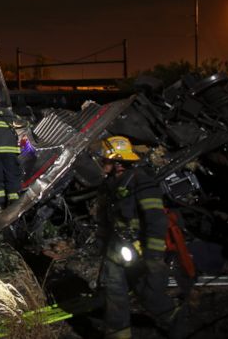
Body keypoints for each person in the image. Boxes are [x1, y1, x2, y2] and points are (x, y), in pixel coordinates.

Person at [96, 136, 185, 339]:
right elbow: (106, 220)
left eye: (105, 159)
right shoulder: (109, 185)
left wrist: (153, 256)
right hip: (117, 251)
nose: (102, 162)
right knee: (114, 295)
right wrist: (103, 245)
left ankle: (176, 319)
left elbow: (156, 220)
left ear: (118, 162)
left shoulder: (141, 181)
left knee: (149, 295)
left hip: (142, 251)